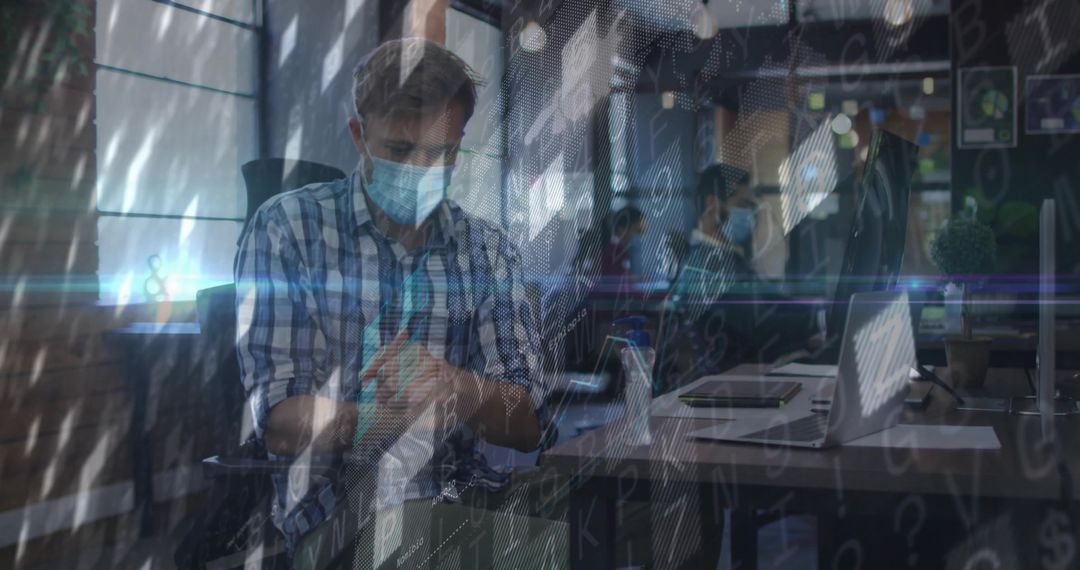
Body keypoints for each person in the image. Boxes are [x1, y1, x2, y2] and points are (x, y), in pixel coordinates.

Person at [234, 38, 557, 566]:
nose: (422, 171)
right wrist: (391, 418)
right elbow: (278, 423)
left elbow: (527, 423)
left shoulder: (488, 251)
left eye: (441, 153)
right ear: (359, 135)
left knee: (586, 532)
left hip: (466, 500)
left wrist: (460, 390)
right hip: (341, 513)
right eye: (401, 151)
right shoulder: (288, 230)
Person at [656, 164, 817, 393]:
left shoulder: (727, 258)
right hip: (737, 385)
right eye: (742, 205)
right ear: (712, 204)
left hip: (750, 372)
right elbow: (757, 325)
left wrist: (819, 313)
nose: (749, 215)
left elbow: (773, 300)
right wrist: (816, 321)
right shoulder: (707, 265)